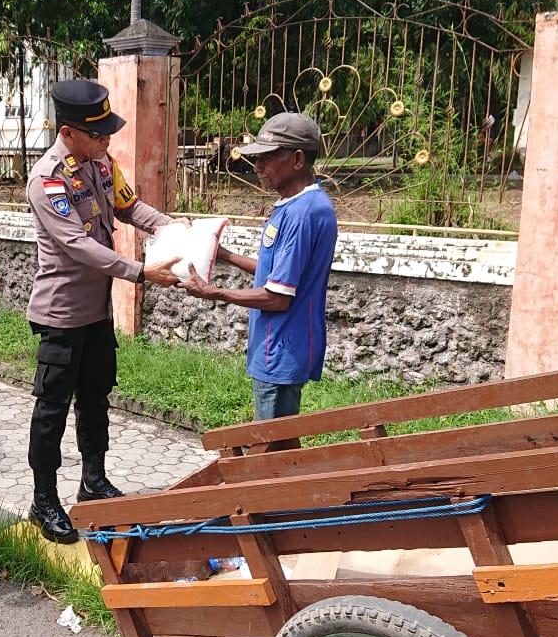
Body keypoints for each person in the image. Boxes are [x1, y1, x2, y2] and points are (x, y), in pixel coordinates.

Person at [23, 79, 181, 544]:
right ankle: (43, 500)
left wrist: (176, 226)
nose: (106, 141)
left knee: (96, 398)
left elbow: (131, 208)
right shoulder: (48, 179)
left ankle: (93, 480)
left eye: (108, 133)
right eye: (98, 134)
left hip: (95, 313)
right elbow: (78, 245)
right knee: (51, 410)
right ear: (69, 132)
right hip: (61, 315)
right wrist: (140, 272)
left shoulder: (101, 164)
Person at [180, 112, 338, 421]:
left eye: (266, 158)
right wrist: (224, 255)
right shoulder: (299, 206)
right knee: (280, 446)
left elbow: (277, 297)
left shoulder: (302, 214)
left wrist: (214, 293)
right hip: (279, 348)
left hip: (280, 351)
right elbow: (277, 274)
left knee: (269, 450)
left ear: (297, 159)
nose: (257, 167)